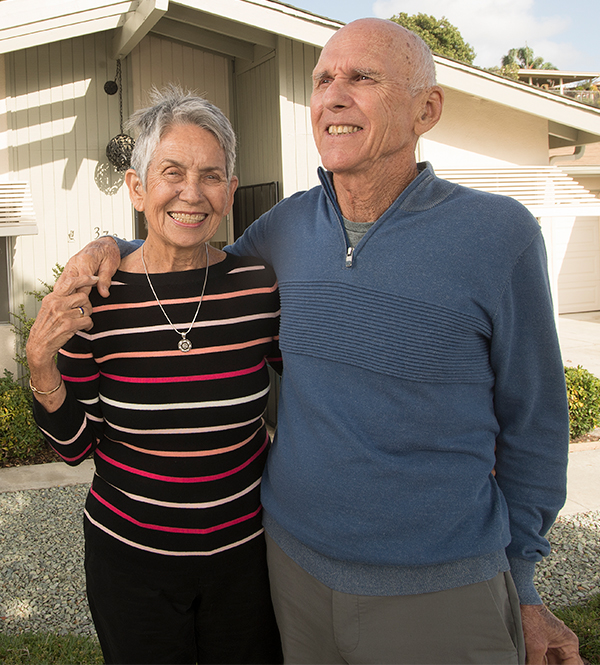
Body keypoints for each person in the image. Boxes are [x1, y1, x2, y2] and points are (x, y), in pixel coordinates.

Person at [60, 19, 582, 665]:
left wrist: (524, 582)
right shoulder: (285, 229)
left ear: (427, 108)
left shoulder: (498, 234)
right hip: (291, 573)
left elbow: (536, 422)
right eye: (323, 79)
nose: (334, 95)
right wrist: (114, 245)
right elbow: (188, 258)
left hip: (440, 585)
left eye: (362, 77)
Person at [26, 87, 283, 665]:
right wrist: (41, 364)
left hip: (245, 557)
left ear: (230, 193)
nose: (191, 193)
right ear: (137, 188)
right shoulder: (97, 301)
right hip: (130, 561)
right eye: (171, 172)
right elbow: (74, 447)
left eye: (211, 176)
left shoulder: (259, 287)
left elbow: (311, 387)